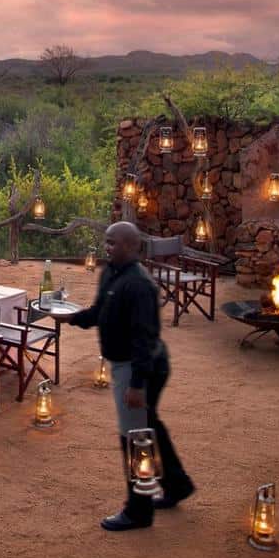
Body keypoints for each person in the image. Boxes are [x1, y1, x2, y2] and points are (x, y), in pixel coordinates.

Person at [66, 220, 195, 530]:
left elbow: (144, 340)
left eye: (115, 243)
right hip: (132, 365)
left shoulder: (139, 285)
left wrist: (137, 385)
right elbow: (99, 313)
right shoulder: (111, 272)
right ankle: (177, 485)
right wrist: (70, 317)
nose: (108, 247)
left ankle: (138, 511)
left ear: (132, 246)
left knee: (135, 438)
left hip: (139, 368)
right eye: (107, 242)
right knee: (148, 425)